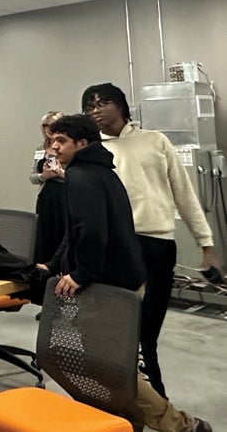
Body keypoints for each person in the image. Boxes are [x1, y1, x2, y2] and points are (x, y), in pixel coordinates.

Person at [43, 114, 211, 432]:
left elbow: (91, 232)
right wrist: (54, 265)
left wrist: (80, 274)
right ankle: (126, 424)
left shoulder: (81, 176)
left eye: (61, 141)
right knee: (110, 368)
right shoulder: (101, 171)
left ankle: (184, 426)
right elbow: (76, 232)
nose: (54, 147)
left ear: (82, 144)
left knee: (111, 371)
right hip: (122, 283)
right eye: (53, 141)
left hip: (107, 287)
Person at [82, 83, 219, 398]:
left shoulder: (155, 141)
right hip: (115, 247)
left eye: (102, 103)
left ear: (121, 106)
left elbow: (184, 194)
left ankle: (151, 398)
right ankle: (144, 398)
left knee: (147, 330)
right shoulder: (92, 152)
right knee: (119, 331)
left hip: (156, 245)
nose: (95, 110)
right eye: (89, 106)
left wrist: (206, 244)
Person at [31, 111, 67, 263]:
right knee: (44, 236)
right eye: (45, 126)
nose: (48, 129)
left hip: (65, 196)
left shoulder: (68, 147)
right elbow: (32, 176)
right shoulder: (41, 148)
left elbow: (78, 176)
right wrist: (43, 176)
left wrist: (59, 173)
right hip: (46, 197)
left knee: (63, 235)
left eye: (52, 125)